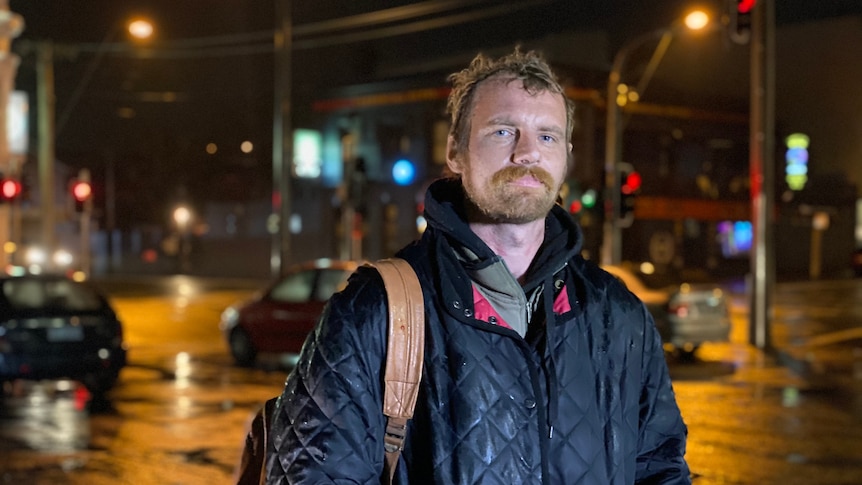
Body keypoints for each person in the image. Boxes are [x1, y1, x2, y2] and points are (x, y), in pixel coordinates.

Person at [266, 48, 690, 484]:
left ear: (565, 156)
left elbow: (661, 468)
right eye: (503, 131)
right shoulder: (375, 311)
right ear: (455, 151)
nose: (527, 153)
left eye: (547, 136)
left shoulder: (619, 314)